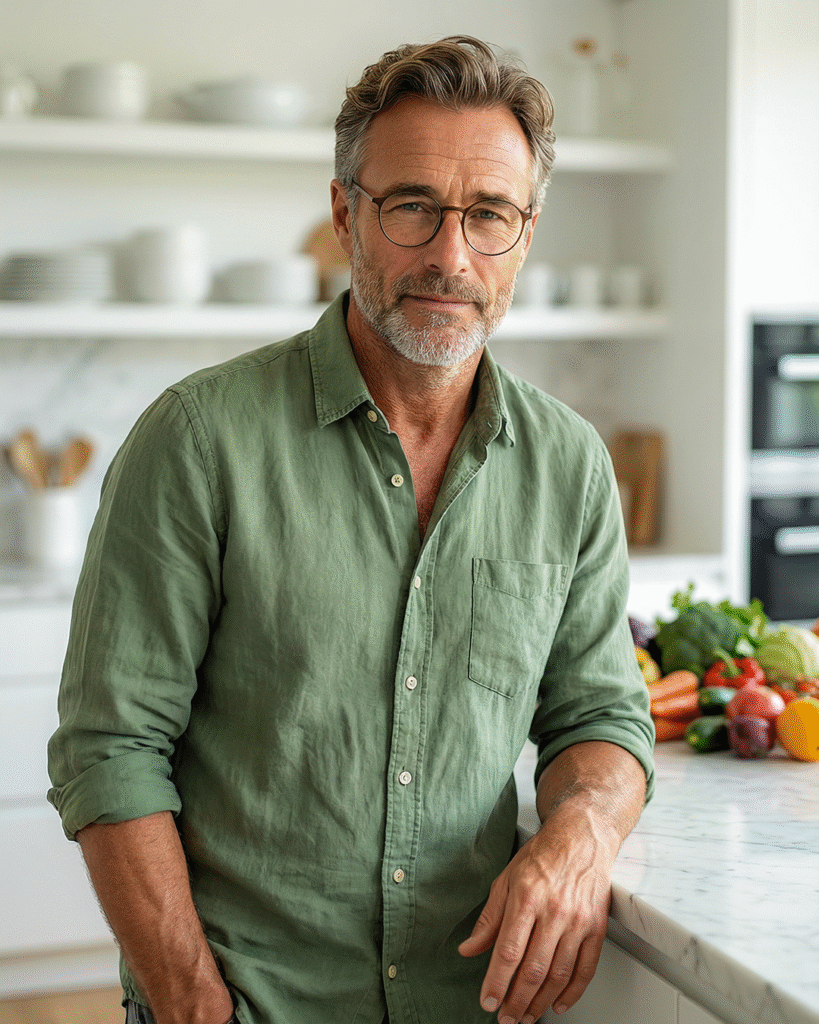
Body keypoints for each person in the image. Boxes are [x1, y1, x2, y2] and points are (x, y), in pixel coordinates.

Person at [47, 35, 654, 1024]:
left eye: (489, 214)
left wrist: (581, 830)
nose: (450, 256)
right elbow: (109, 746)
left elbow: (600, 715)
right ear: (343, 217)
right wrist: (196, 1006)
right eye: (411, 205)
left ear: (525, 236)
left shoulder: (571, 463)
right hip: (249, 1003)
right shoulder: (199, 440)